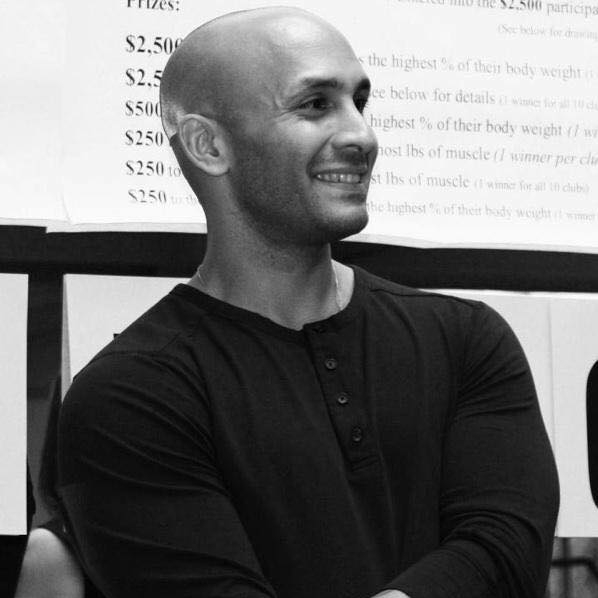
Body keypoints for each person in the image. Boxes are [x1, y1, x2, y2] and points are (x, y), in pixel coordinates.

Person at [58, 6, 559, 598]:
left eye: (359, 102)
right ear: (208, 144)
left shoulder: (466, 340)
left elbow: (503, 552)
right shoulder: (129, 397)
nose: (362, 136)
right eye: (316, 104)